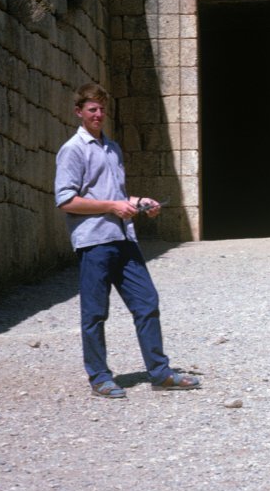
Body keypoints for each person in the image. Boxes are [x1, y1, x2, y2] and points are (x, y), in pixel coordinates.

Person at [54, 82, 200, 398]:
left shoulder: (113, 148)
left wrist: (140, 201)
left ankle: (160, 373)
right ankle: (100, 378)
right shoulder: (72, 150)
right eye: (92, 109)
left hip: (124, 239)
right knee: (94, 313)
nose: (98, 114)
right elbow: (66, 201)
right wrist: (112, 206)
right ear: (79, 112)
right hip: (94, 243)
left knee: (147, 302)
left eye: (102, 109)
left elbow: (117, 196)